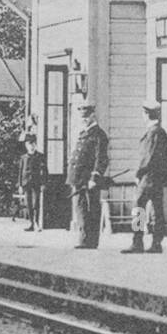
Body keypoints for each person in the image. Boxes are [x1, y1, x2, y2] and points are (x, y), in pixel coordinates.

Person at [122, 100, 167, 254]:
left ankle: (137, 242)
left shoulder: (153, 132)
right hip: (157, 178)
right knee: (156, 210)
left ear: (147, 114)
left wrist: (138, 174)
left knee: (138, 209)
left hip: (147, 177)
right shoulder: (159, 132)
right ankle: (156, 243)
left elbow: (148, 157)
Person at [67, 102, 109, 249]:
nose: (84, 120)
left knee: (91, 209)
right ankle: (84, 239)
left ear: (92, 115)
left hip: (88, 180)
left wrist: (94, 178)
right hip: (78, 179)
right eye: (82, 117)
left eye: (86, 117)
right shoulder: (83, 133)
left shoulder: (99, 135)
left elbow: (101, 159)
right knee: (81, 209)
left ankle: (90, 241)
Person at [18, 132, 46, 231]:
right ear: (26, 145)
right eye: (29, 144)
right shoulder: (23, 158)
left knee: (36, 203)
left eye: (33, 144)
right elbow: (20, 172)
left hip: (36, 183)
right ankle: (31, 223)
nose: (32, 146)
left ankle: (37, 223)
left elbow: (44, 171)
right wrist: (20, 185)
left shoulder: (40, 156)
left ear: (36, 145)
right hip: (26, 183)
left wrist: (43, 183)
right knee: (28, 204)